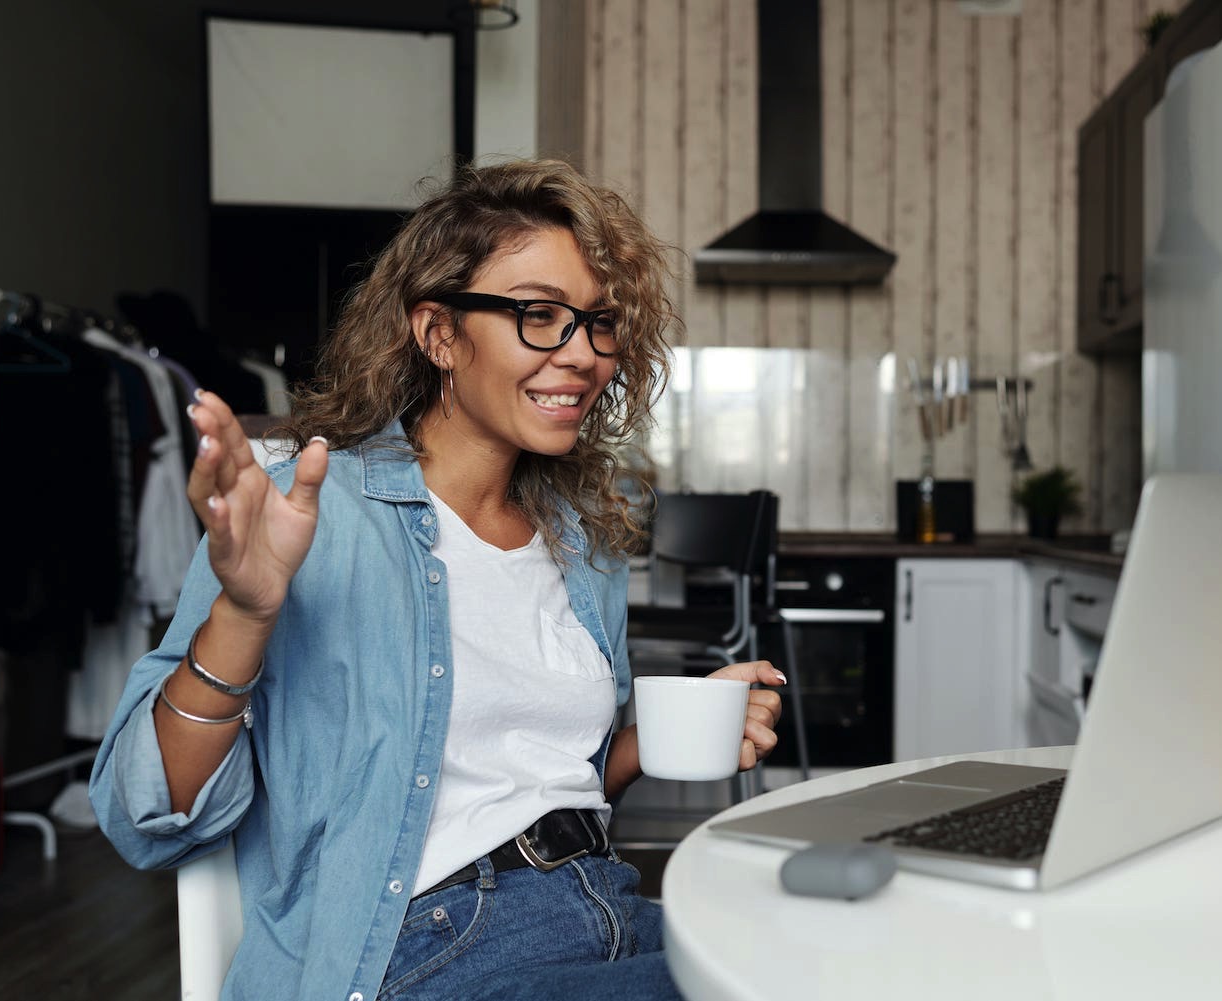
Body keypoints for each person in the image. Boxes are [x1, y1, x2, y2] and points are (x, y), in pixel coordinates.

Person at [90, 159, 785, 1001]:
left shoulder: (582, 544)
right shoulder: (306, 514)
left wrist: (648, 743)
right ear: (439, 333)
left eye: (599, 323)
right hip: (428, 953)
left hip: (604, 904)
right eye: (539, 315)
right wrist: (244, 609)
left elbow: (523, 785)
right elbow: (143, 817)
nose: (583, 355)